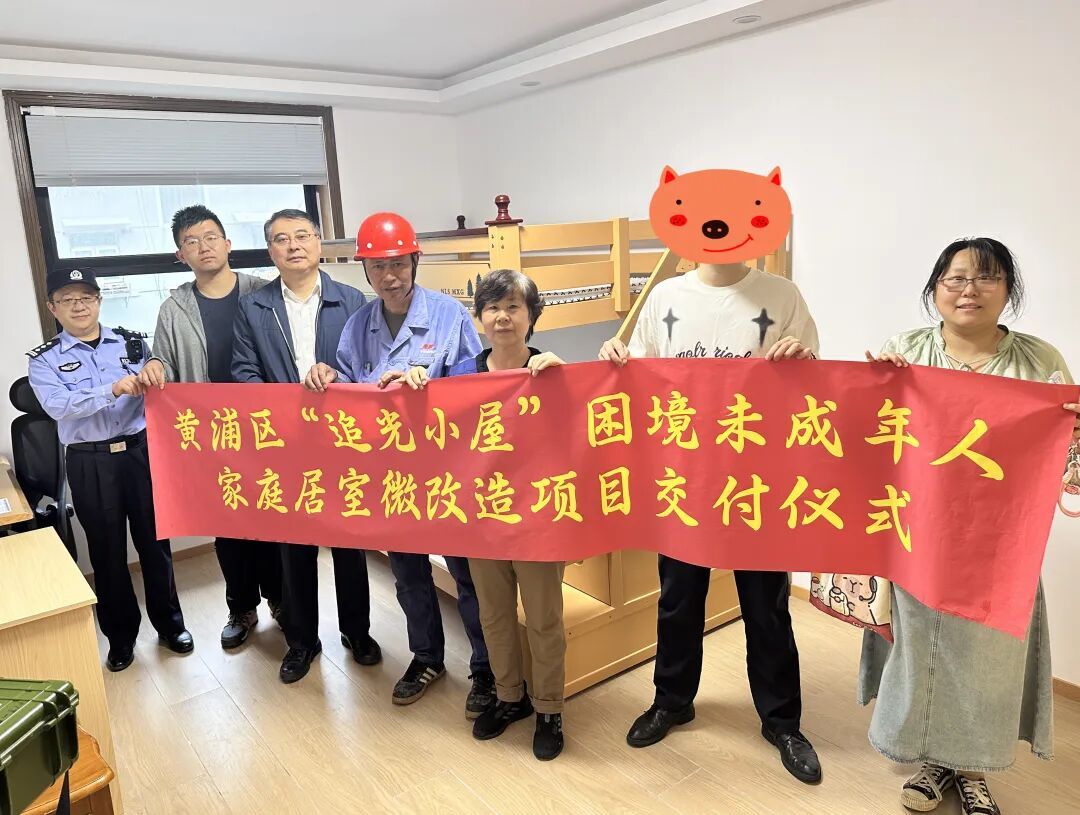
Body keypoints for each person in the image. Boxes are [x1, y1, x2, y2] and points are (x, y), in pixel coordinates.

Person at [862, 237, 1080, 815]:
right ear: (935, 288)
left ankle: (974, 769)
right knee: (923, 651)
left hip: (1001, 543)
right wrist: (872, 388)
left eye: (986, 278)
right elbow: (868, 442)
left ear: (1008, 291)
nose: (969, 290)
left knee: (989, 659)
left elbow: (1067, 460)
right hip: (918, 536)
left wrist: (1075, 433)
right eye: (955, 278)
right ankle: (933, 762)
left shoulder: (1039, 361)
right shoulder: (905, 352)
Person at [598, 257, 824, 785]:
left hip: (757, 477)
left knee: (766, 605)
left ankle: (782, 721)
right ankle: (672, 701)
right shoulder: (665, 297)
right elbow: (640, 379)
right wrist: (614, 358)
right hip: (686, 478)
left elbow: (814, 381)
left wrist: (803, 359)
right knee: (678, 599)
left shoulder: (782, 294)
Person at [304, 211, 495, 717]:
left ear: (414, 261)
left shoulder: (450, 316)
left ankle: (486, 667)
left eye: (398, 264)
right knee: (408, 573)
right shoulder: (358, 326)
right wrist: (328, 377)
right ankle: (427, 657)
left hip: (447, 469)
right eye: (377, 267)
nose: (389, 276)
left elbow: (474, 394)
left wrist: (426, 390)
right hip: (390, 474)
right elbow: (348, 397)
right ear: (365, 270)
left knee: (466, 573)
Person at [424, 269, 568, 759]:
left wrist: (566, 382)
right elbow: (433, 428)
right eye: (492, 308)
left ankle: (549, 708)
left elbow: (577, 434)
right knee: (494, 614)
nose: (502, 317)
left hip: (538, 517)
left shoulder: (551, 371)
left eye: (513, 307)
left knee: (544, 617)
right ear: (479, 317)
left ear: (531, 316)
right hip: (482, 518)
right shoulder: (460, 376)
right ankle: (510, 698)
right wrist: (413, 381)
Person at [233, 208, 380, 683]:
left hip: (342, 441)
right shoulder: (253, 307)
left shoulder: (352, 299)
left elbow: (368, 367)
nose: (293, 245)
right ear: (270, 251)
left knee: (349, 543)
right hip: (284, 444)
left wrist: (338, 376)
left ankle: (357, 631)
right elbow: (243, 371)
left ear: (318, 242)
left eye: (302, 235)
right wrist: (278, 409)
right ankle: (301, 641)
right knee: (293, 547)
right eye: (281, 239)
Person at [27, 268, 192, 672]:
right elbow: (58, 406)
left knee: (156, 543)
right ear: (52, 307)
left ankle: (171, 625)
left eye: (86, 297)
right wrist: (112, 388)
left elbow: (160, 383)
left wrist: (156, 369)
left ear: (99, 301)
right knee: (106, 552)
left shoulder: (132, 342)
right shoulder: (45, 359)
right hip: (90, 461)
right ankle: (120, 637)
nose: (79, 306)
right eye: (68, 300)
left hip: (140, 454)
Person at [137, 204, 282, 650]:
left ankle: (282, 601)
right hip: (211, 436)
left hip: (265, 430)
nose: (204, 247)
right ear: (180, 255)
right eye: (192, 242)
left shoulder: (262, 292)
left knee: (275, 517)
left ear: (228, 243)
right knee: (228, 525)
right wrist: (156, 365)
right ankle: (241, 608)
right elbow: (162, 359)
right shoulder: (174, 308)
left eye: (210, 237)